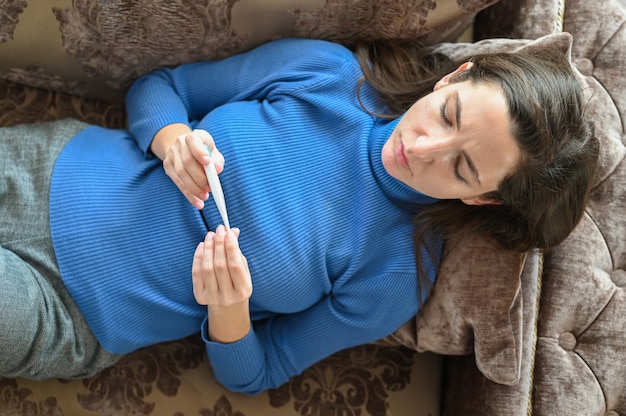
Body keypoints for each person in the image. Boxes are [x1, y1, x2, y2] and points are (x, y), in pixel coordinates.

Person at [0, 35, 598, 394]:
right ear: (454, 75)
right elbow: (160, 87)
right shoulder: (329, 75)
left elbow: (257, 374)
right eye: (447, 114)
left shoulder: (394, 277)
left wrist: (229, 310)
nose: (421, 150)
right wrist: (172, 140)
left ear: (483, 199)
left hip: (66, 313)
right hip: (42, 169)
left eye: (462, 168)